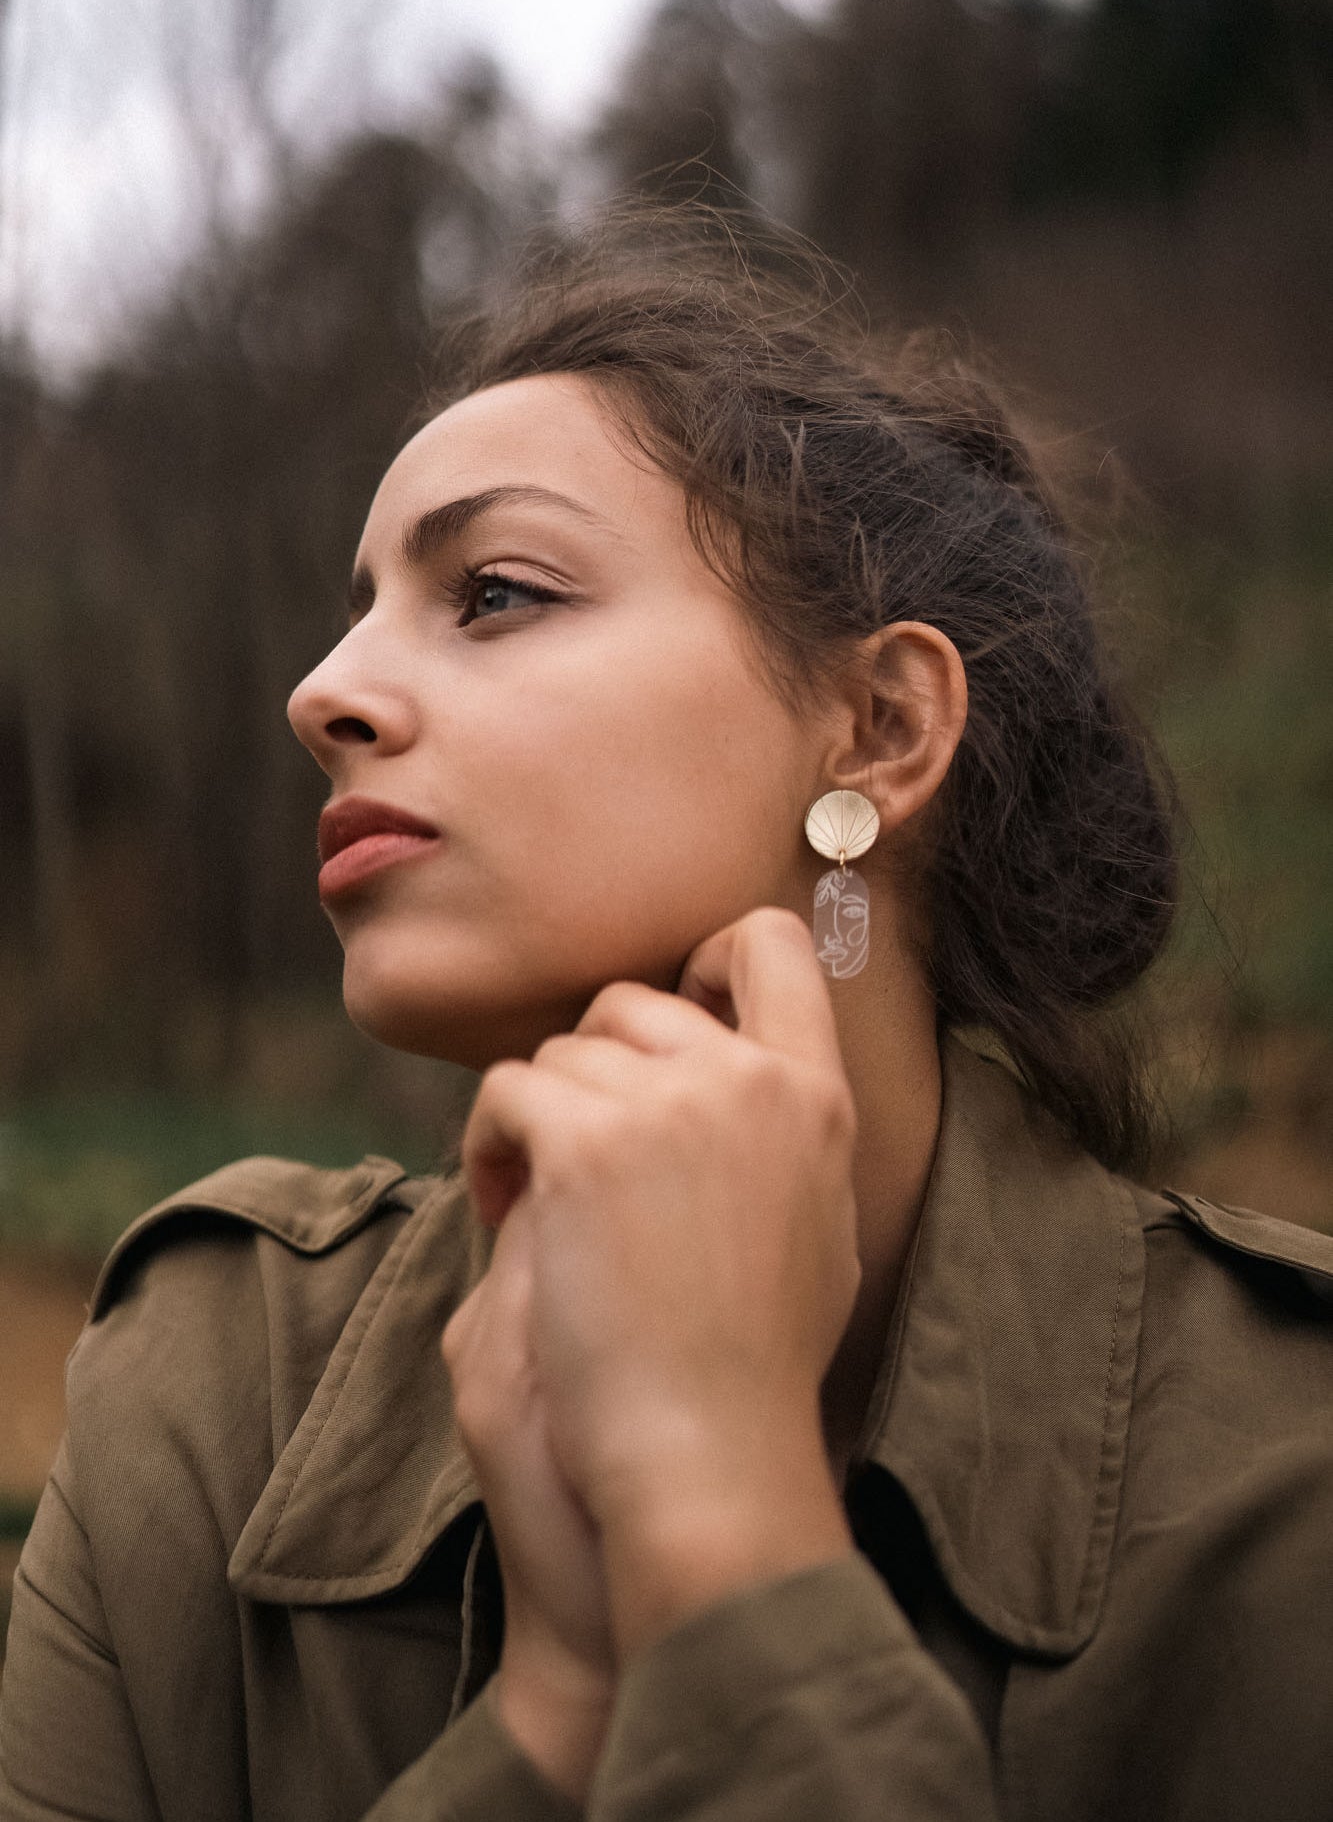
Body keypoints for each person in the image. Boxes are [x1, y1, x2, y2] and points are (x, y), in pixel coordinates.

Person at [2, 210, 1331, 1822]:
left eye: (491, 591)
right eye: (358, 605)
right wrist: (560, 1706)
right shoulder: (207, 1394)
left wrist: (728, 1552)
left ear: (879, 725)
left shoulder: (1293, 1472)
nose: (322, 691)